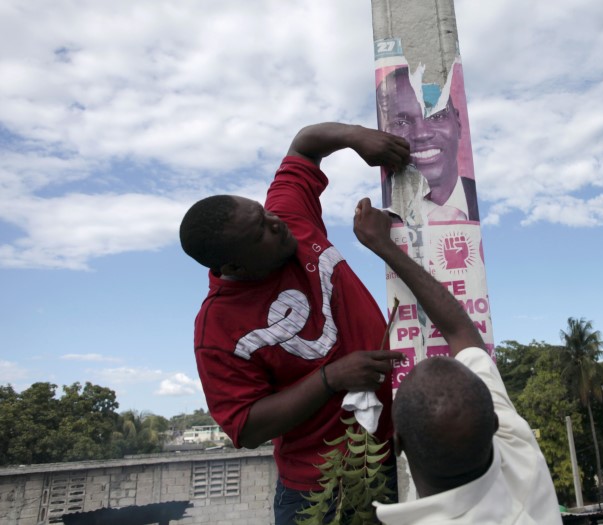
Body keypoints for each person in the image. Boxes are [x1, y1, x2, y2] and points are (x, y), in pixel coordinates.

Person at [179, 123, 410, 525]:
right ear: (233, 265)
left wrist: (358, 138)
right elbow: (246, 427)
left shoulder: (289, 216)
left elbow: (306, 144)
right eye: (261, 231)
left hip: (390, 458)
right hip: (318, 492)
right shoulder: (217, 330)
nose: (276, 222)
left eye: (264, 211)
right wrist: (330, 378)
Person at [353, 198, 561, 524]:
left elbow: (460, 332)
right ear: (494, 424)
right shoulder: (520, 455)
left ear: (397, 444)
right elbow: (462, 331)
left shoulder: (518, 447)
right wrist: (387, 248)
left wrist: (383, 246)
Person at [377, 67, 480, 222]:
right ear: (385, 132)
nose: (422, 134)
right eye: (401, 122)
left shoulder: (492, 197)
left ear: (458, 123)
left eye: (436, 116)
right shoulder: (378, 220)